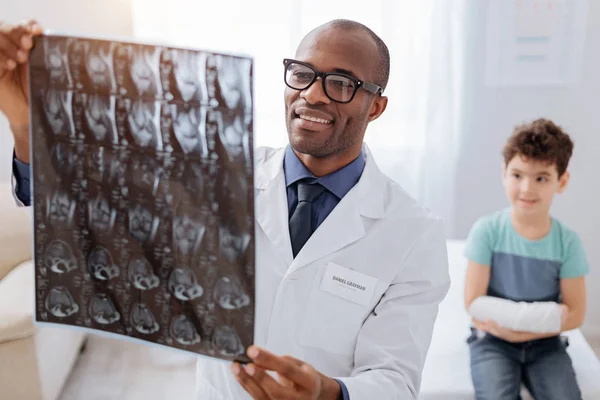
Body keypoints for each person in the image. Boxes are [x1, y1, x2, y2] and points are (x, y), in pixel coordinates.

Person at [0, 19, 450, 400]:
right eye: (302, 73)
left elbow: (395, 378)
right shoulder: (216, 175)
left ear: (376, 107)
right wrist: (23, 123)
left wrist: (327, 393)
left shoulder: (414, 233)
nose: (312, 95)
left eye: (341, 83)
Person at [463, 118, 589, 400]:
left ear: (562, 181)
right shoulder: (487, 231)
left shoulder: (567, 242)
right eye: (517, 175)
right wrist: (515, 331)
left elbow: (576, 313)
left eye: (541, 178)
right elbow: (473, 302)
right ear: (504, 173)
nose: (526, 189)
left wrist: (519, 333)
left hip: (546, 345)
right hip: (492, 341)